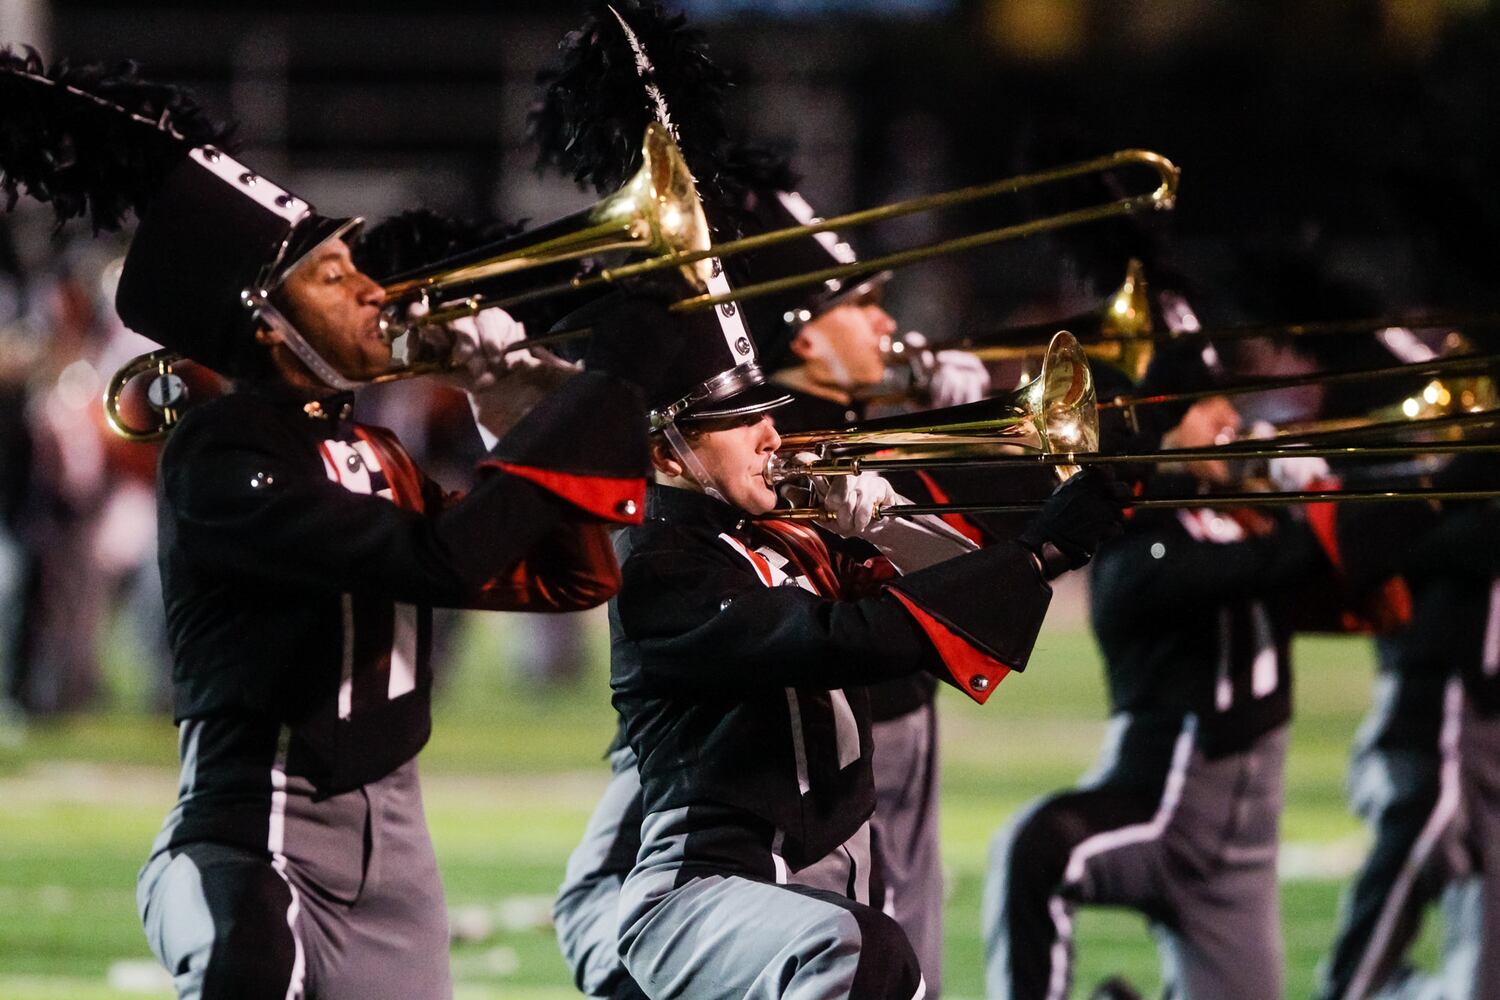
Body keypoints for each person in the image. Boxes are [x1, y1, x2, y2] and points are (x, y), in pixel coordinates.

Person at [0, 53, 650, 998]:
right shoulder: (219, 452)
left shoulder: (374, 453)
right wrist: (599, 395)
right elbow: (439, 559)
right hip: (258, 830)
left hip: (397, 847)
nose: (375, 291)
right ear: (269, 318)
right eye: (336, 275)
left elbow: (569, 578)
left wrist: (506, 407)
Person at [569, 277, 1125, 999]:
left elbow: (957, 599)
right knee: (860, 952)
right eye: (739, 421)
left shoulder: (777, 539)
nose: (773, 434)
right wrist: (1034, 555)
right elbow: (843, 639)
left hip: (825, 885)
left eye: (765, 412)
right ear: (670, 455)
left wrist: (889, 525)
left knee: (869, 952)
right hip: (706, 895)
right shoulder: (661, 572)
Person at [981, 383, 1334, 1000]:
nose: (1233, 416)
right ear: (1165, 424)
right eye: (1209, 402)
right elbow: (1295, 559)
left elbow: (1375, 593)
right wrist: (1323, 499)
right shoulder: (1144, 542)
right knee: (1036, 847)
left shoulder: (1245, 512)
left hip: (1241, 864)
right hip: (1167, 812)